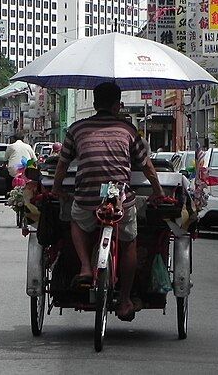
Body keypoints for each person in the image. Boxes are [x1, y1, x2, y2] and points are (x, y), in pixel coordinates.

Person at [52, 82, 164, 322]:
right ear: (117, 105)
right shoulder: (128, 130)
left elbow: (62, 164)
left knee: (77, 220)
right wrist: (158, 191)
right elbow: (146, 166)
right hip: (120, 197)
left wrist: (57, 189)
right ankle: (124, 300)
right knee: (129, 241)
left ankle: (84, 266)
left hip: (87, 196)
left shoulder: (76, 129)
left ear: (94, 104)